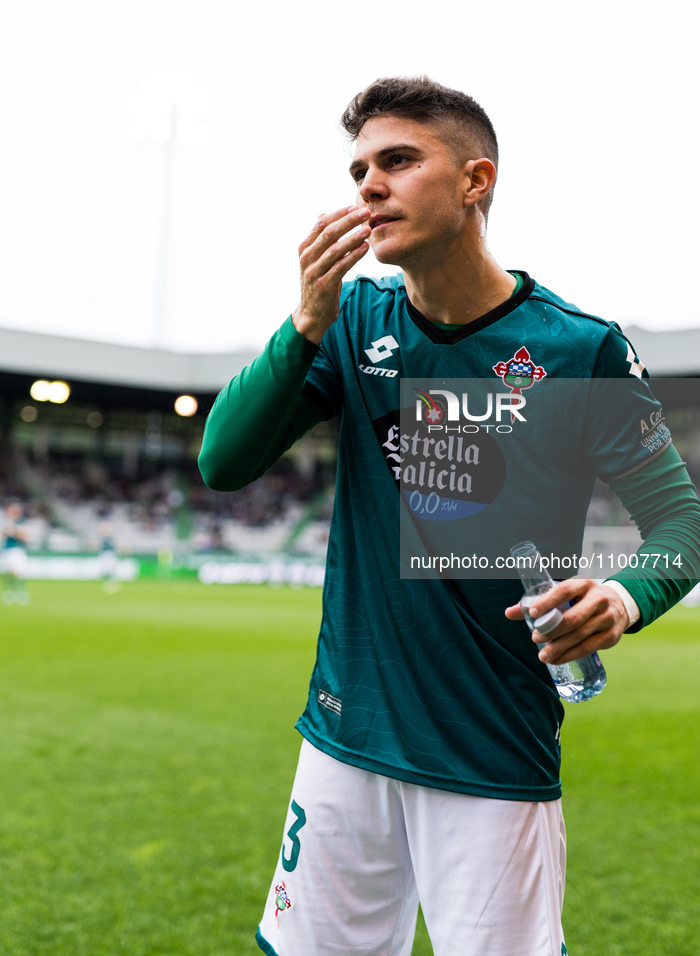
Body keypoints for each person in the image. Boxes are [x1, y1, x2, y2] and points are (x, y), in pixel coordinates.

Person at [198, 77, 700, 956]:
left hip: (489, 748)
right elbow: (224, 462)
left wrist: (621, 600)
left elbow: (681, 525)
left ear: (477, 181)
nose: (368, 186)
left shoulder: (579, 348)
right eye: (358, 169)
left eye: (397, 160)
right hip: (345, 736)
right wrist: (307, 318)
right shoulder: (355, 322)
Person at [1, 502, 30, 605]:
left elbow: (24, 536)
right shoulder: (4, 521)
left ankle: (21, 592)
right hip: (6, 550)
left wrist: (13, 531)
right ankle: (8, 592)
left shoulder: (22, 521)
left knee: (19, 573)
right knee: (7, 573)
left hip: (17, 550)